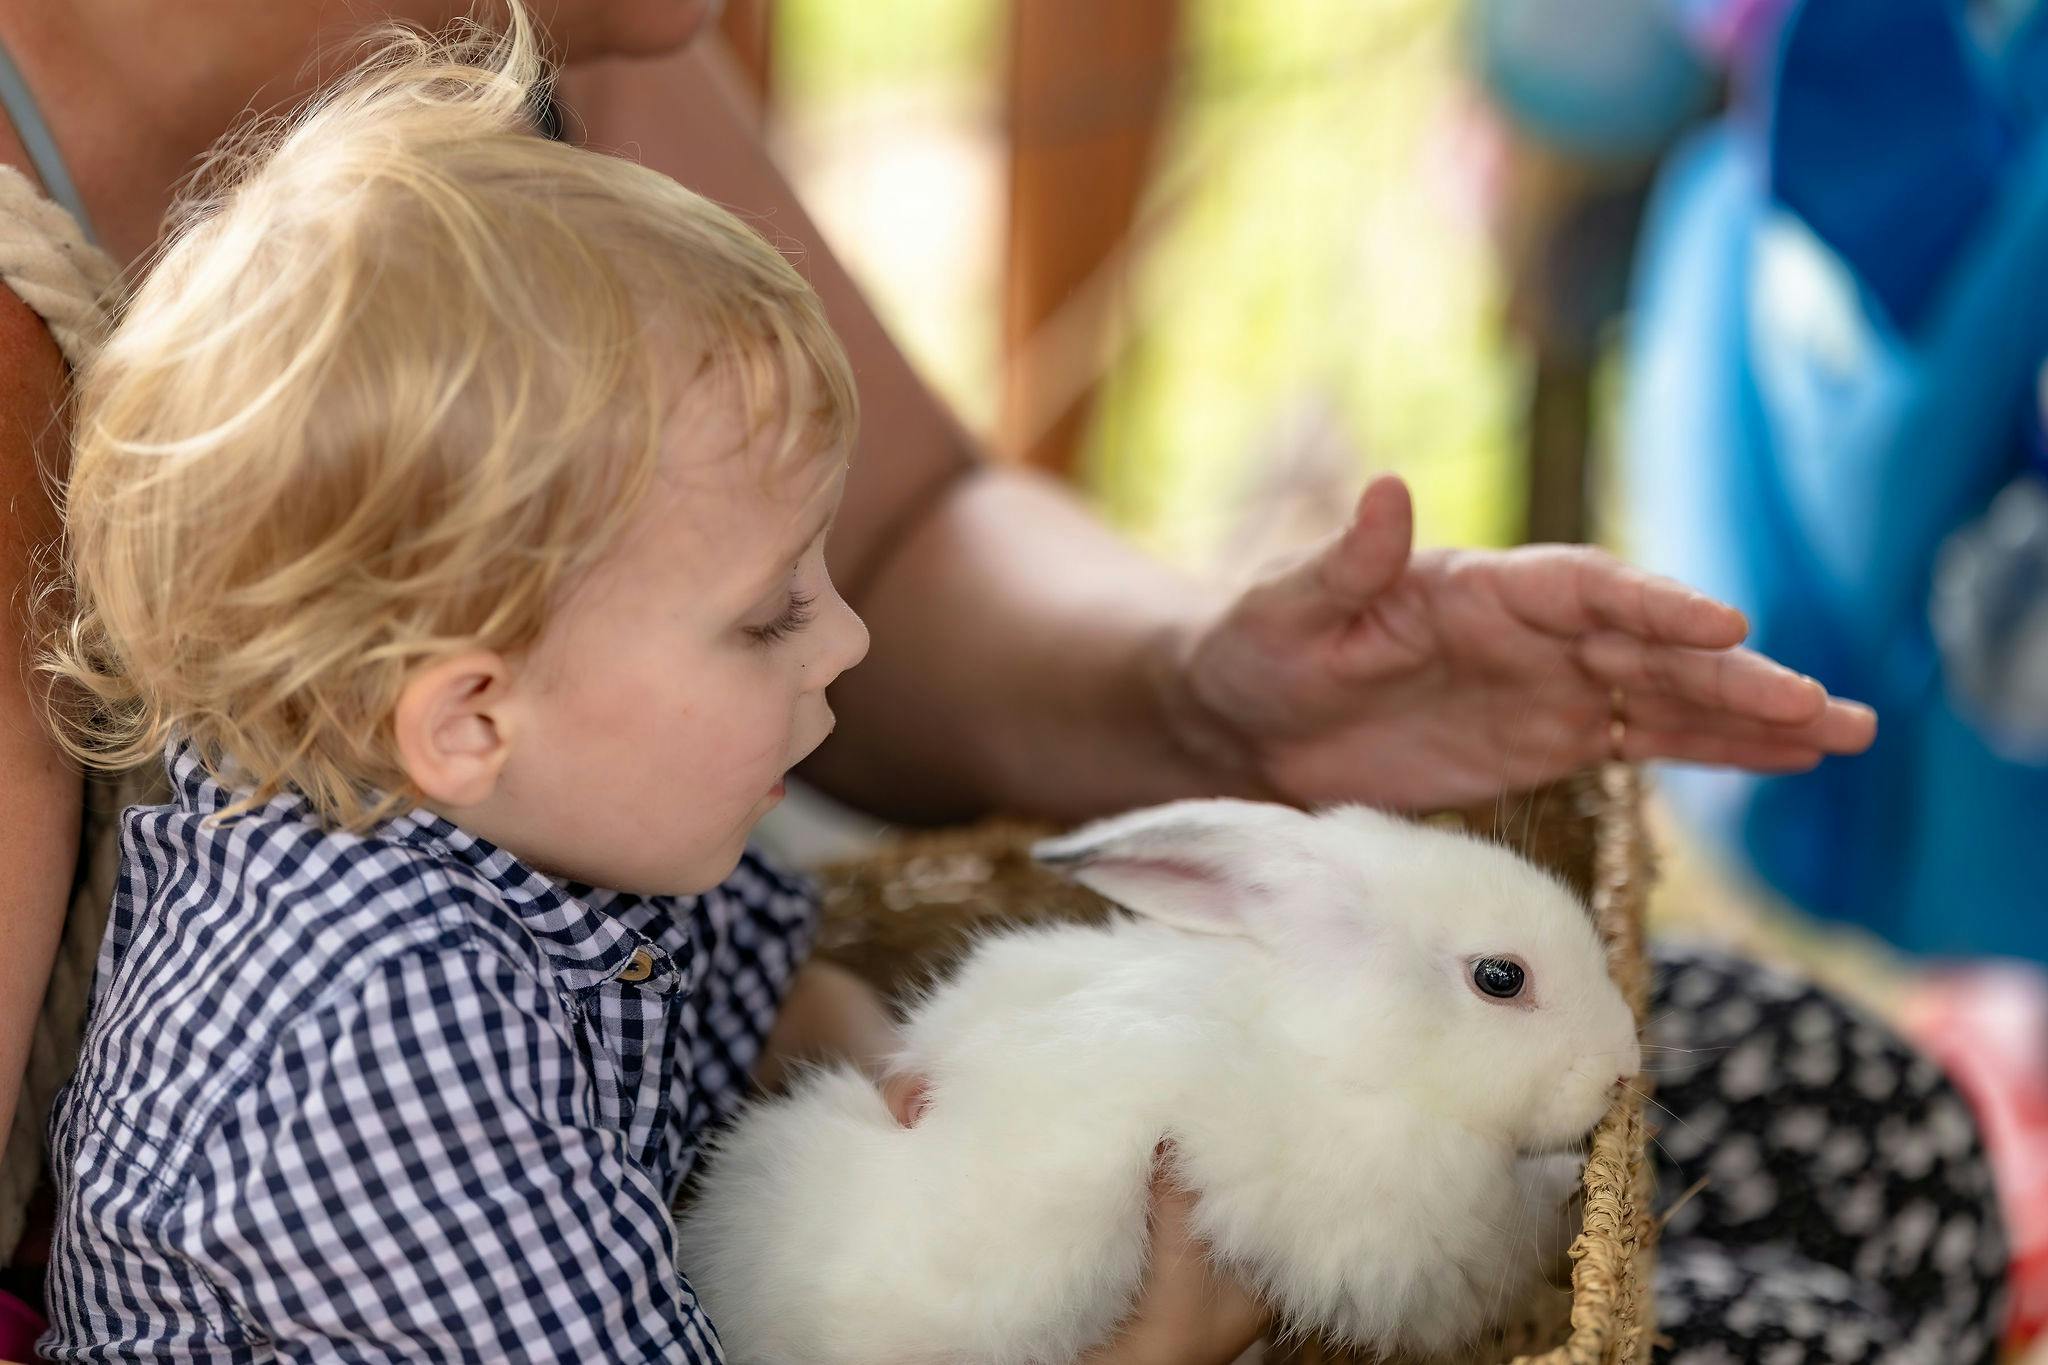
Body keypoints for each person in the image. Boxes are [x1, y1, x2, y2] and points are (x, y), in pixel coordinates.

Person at [0, 3, 1993, 1362]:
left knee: (1859, 1126)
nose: (836, 637)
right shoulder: (379, 1083)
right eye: (766, 620)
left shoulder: (515, 793)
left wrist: (1207, 705)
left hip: (689, 1221)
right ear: (464, 712)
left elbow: (885, 550)